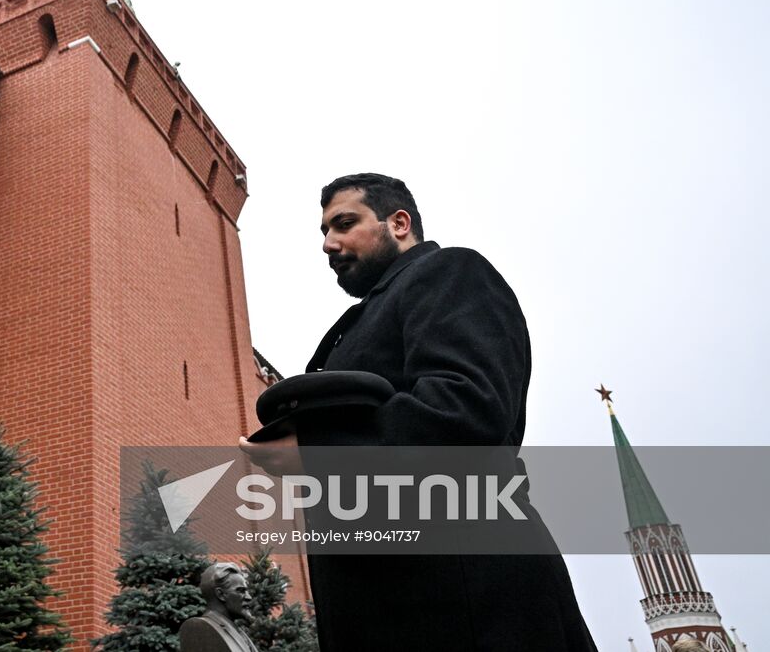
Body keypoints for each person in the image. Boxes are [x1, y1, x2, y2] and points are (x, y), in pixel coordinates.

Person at [240, 173, 596, 650]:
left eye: (344, 223)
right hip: (393, 609)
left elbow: (468, 405)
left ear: (399, 222)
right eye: (324, 232)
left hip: (468, 603)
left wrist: (319, 453)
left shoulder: (450, 273)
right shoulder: (362, 321)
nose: (329, 243)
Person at [178, 562, 261, 652]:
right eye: (241, 591)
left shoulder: (239, 632)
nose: (249, 597)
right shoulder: (198, 628)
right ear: (220, 594)